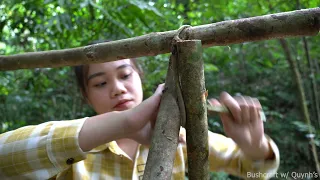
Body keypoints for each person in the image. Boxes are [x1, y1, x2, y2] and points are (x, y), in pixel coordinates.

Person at [0, 44, 279, 180]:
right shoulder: (77, 151)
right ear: (86, 95)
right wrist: (123, 124)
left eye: (125, 75)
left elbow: (257, 172)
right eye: (100, 83)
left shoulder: (183, 139)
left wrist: (254, 147)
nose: (117, 89)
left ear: (140, 77)